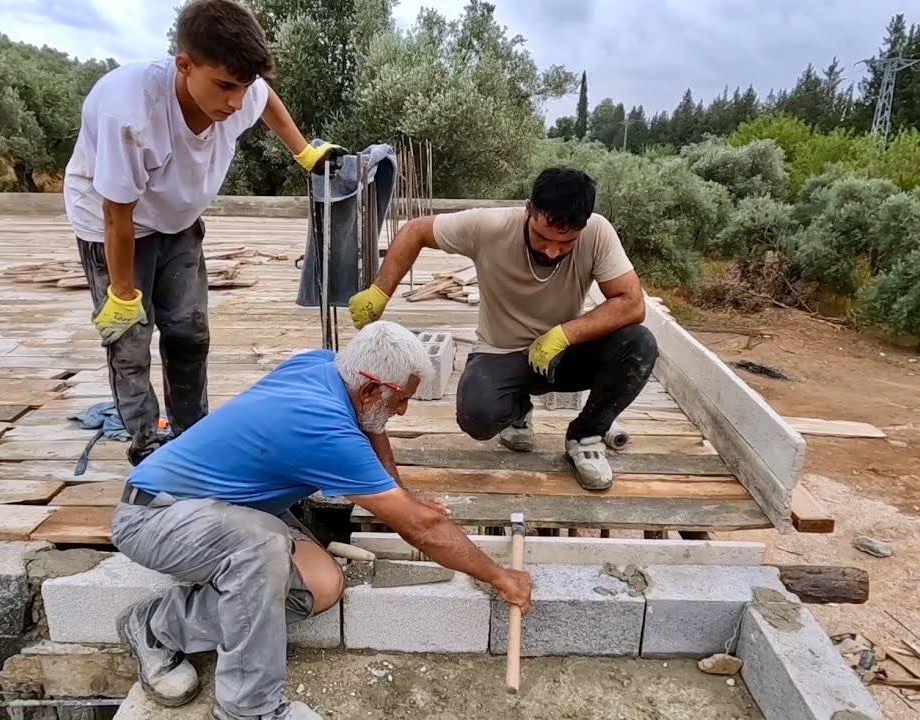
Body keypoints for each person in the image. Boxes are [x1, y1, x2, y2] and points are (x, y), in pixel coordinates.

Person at [110, 321, 533, 720]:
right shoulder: (320, 428)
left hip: (225, 513)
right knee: (261, 549)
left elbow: (373, 423)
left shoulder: (327, 366)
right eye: (401, 399)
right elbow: (421, 529)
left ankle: (155, 625)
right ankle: (248, 707)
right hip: (155, 517)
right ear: (369, 388)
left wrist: (399, 494)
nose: (402, 411)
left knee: (320, 586)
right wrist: (501, 577)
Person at [63, 0, 348, 466]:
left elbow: (266, 101)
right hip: (114, 230)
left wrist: (303, 152)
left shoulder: (240, 91)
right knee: (131, 340)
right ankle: (144, 442)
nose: (236, 102)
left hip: (179, 220)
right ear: (184, 64)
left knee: (189, 333)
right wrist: (120, 292)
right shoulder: (130, 112)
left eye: (243, 86)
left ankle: (191, 434)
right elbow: (118, 214)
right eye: (224, 86)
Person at [347, 168, 658, 491]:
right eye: (543, 237)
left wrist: (564, 334)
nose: (552, 251)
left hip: (563, 353)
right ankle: (517, 411)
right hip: (501, 352)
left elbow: (632, 303)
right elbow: (415, 231)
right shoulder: (490, 226)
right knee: (476, 416)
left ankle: (586, 434)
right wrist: (380, 291)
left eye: (566, 242)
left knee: (639, 345)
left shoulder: (597, 233)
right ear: (528, 209)